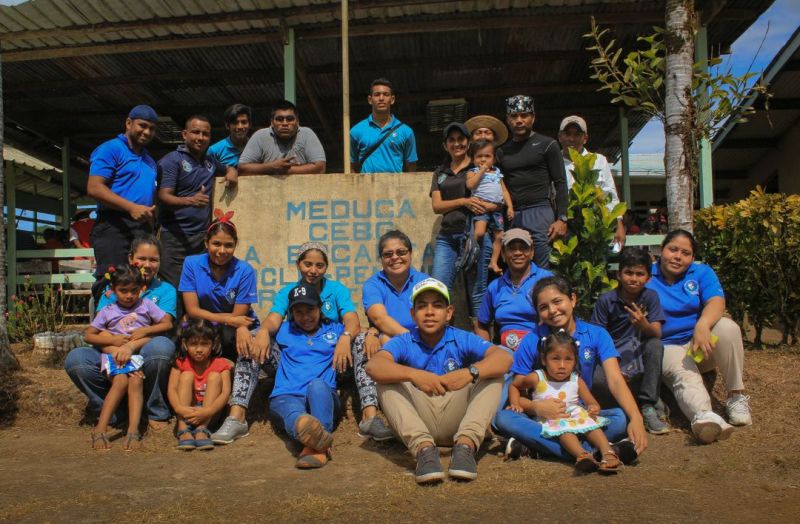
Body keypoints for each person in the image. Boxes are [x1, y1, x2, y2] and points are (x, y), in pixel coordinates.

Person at [212, 242, 392, 444]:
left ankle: (369, 417)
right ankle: (237, 417)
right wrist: (261, 331)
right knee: (251, 341)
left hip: (335, 360)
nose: (313, 270)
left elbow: (352, 320)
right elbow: (274, 319)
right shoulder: (288, 292)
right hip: (294, 357)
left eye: (319, 265)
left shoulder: (336, 290)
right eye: (308, 264)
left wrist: (346, 337)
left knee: (361, 340)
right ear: (298, 264)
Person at [366, 278, 513, 484]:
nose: (429, 312)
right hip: (418, 418)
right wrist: (415, 375)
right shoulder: (404, 341)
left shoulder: (462, 337)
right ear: (413, 314)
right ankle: (424, 450)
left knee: (492, 374)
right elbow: (373, 366)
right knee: (385, 379)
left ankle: (465, 446)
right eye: (422, 306)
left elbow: (504, 358)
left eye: (437, 305)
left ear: (449, 313)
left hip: (457, 418)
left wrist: (469, 373)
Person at [495, 276, 648, 464]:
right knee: (504, 418)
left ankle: (542, 449)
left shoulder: (596, 334)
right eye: (543, 307)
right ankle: (600, 450)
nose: (552, 310)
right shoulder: (531, 340)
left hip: (580, 415)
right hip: (542, 419)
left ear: (573, 299)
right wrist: (537, 407)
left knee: (620, 418)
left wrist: (636, 418)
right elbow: (517, 388)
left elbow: (615, 380)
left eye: (557, 301)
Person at [645, 229, 752, 444]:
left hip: (700, 345)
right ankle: (704, 417)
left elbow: (716, 301)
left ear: (692, 258)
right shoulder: (646, 275)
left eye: (685, 253)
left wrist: (702, 325)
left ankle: (736, 396)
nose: (678, 256)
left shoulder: (701, 272)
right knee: (684, 376)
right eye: (673, 249)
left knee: (728, 328)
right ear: (661, 250)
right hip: (668, 345)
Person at [65, 235, 177, 431]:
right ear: (131, 258)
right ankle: (115, 411)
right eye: (142, 258)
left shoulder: (165, 290)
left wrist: (131, 345)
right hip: (112, 350)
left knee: (161, 348)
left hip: (145, 349)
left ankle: (154, 410)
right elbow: (97, 332)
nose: (147, 265)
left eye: (153, 260)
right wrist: (116, 349)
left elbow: (165, 326)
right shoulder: (112, 290)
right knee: (76, 359)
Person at [83, 263, 173, 450]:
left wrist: (146, 330)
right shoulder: (108, 310)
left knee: (136, 382)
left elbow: (167, 324)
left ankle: (133, 431)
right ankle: (100, 429)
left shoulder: (146, 305)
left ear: (141, 289)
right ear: (113, 290)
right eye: (123, 291)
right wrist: (113, 341)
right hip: (115, 357)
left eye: (134, 290)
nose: (129, 295)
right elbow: (89, 335)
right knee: (120, 382)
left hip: (136, 357)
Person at [507, 330, 619, 474]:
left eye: (568, 359)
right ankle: (582, 455)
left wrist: (593, 407)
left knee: (593, 424)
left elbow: (591, 401)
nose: (562, 365)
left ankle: (607, 451)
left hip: (577, 416)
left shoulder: (576, 380)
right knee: (564, 429)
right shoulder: (537, 377)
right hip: (552, 420)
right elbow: (515, 385)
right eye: (555, 358)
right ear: (544, 359)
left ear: (575, 361)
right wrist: (515, 403)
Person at [591, 247, 669, 434]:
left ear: (648, 278)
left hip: (638, 354)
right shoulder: (606, 301)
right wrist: (615, 368)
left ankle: (647, 405)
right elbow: (596, 339)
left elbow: (656, 332)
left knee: (655, 345)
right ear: (619, 275)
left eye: (640, 274)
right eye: (629, 273)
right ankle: (630, 405)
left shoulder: (650, 297)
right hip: (612, 356)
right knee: (597, 378)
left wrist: (644, 324)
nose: (634, 278)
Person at [157, 115, 237, 290]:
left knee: (198, 289)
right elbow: (164, 196)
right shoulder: (172, 160)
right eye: (195, 132)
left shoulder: (209, 162)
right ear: (184, 134)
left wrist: (231, 171)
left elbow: (228, 168)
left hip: (201, 239)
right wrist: (190, 200)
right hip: (174, 238)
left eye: (205, 134)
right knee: (173, 289)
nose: (200, 137)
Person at [269, 282, 343, 468]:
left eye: (310, 310)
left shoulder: (334, 329)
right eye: (298, 312)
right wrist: (257, 331)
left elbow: (358, 328)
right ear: (291, 313)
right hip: (288, 394)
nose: (305, 317)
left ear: (320, 308)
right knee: (293, 412)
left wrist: (367, 333)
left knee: (317, 385)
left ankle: (316, 441)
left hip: (323, 396)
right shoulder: (284, 330)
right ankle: (314, 438)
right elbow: (262, 327)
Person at [86, 105, 159, 291]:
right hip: (113, 226)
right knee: (111, 281)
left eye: (151, 128)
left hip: (141, 227)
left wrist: (151, 225)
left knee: (140, 283)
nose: (147, 132)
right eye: (142, 125)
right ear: (128, 123)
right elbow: (94, 187)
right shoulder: (111, 149)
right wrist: (130, 207)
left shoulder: (150, 161)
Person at [430, 123, 497, 320]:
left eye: (461, 139)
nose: (457, 143)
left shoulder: (477, 166)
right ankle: (442, 334)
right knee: (439, 288)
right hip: (447, 237)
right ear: (445, 145)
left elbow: (496, 195)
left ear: (468, 143)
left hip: (474, 235)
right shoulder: (440, 172)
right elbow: (437, 206)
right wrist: (463, 201)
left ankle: (481, 336)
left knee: (477, 292)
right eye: (451, 140)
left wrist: (490, 206)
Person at [498, 95, 568, 268]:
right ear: (508, 119)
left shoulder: (548, 144)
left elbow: (560, 182)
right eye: (514, 116)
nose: (519, 120)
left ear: (533, 117)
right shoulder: (501, 151)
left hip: (540, 212)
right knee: (515, 268)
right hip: (513, 215)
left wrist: (562, 219)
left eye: (524, 115)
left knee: (544, 268)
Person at [179, 212, 259, 362]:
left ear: (235, 245)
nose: (222, 251)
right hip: (204, 323)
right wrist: (227, 318)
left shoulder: (245, 271)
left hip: (232, 328)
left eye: (228, 245)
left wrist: (230, 321)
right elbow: (192, 310)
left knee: (229, 337)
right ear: (206, 243)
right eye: (216, 244)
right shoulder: (191, 264)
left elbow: (239, 316)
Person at [475, 229, 552, 350]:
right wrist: (488, 350)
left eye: (523, 248)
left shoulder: (546, 280)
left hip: (540, 348)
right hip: (505, 352)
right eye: (512, 248)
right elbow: (481, 324)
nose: (518, 252)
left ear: (532, 252)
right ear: (503, 254)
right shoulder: (495, 287)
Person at [558, 115, 626, 249]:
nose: (571, 139)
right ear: (560, 137)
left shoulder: (599, 160)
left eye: (577, 134)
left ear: (585, 138)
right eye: (567, 134)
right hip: (563, 228)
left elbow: (610, 195)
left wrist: (619, 224)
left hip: (594, 229)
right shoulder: (553, 162)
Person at [168, 319, 232, 451]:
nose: (198, 349)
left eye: (204, 344)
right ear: (185, 344)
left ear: (213, 344)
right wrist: (179, 408)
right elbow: (172, 389)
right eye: (193, 344)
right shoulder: (180, 363)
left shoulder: (221, 364)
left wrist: (208, 411)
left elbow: (226, 393)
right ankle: (182, 428)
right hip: (186, 411)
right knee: (186, 375)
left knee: (214, 376)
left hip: (211, 413)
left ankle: (202, 429)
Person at [238, 100, 326, 175]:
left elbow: (320, 168)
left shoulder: (307, 134)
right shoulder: (260, 136)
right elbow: (242, 168)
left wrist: (285, 171)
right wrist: (271, 166)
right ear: (272, 122)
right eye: (279, 119)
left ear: (297, 122)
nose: (285, 123)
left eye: (290, 119)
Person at [350, 78, 417, 174]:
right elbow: (351, 166)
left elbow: (411, 167)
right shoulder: (356, 131)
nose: (381, 98)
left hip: (396, 184)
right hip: (367, 184)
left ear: (392, 99)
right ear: (370, 100)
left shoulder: (406, 131)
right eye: (377, 94)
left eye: (386, 94)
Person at [465, 140, 513, 261]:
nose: (483, 159)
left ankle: (493, 262)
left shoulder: (497, 173)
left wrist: (510, 207)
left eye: (487, 156)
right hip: (481, 208)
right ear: (473, 159)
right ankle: (469, 254)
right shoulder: (473, 172)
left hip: (497, 210)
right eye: (479, 156)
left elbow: (504, 191)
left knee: (500, 235)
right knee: (479, 233)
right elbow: (470, 185)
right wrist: (481, 171)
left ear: (494, 159)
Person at [207, 103, 252, 167]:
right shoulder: (215, 150)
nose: (240, 127)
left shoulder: (257, 147)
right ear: (227, 126)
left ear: (250, 124)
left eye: (244, 122)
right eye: (235, 123)